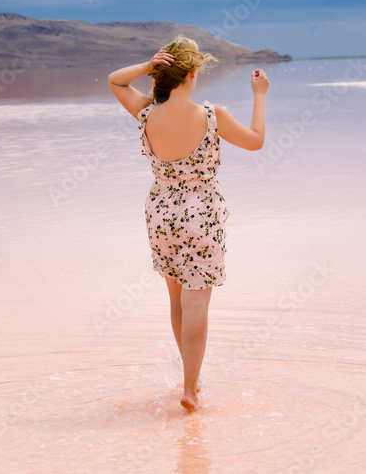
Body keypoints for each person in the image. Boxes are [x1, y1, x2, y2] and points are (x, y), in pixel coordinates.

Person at [108, 35, 269, 411]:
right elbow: (256, 141)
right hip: (202, 215)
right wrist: (259, 95)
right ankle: (190, 389)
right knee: (198, 304)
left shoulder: (146, 112)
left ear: (162, 72)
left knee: (177, 301)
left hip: (161, 213)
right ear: (193, 74)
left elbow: (116, 80)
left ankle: (190, 379)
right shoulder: (212, 116)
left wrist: (146, 66)